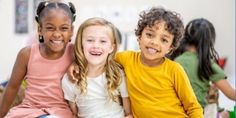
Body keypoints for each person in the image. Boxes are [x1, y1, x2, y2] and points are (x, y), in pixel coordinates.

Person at [68, 7, 203, 118]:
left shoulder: (174, 69)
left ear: (171, 48)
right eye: (149, 35)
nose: (154, 42)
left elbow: (193, 107)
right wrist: (77, 64)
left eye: (164, 40)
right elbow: (100, 58)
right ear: (139, 36)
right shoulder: (126, 58)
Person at [0, 1, 76, 118]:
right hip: (29, 111)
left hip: (60, 112)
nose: (57, 34)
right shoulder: (26, 54)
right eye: (50, 28)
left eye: (64, 28)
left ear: (71, 31)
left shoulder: (75, 53)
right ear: (40, 29)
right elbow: (12, 87)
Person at [62, 17, 133, 118]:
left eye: (103, 41)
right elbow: (75, 114)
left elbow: (129, 114)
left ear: (111, 48)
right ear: (81, 44)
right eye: (90, 40)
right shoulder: (70, 79)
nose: (96, 45)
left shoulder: (118, 74)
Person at [170, 18, 236, 118]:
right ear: (208, 41)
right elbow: (232, 95)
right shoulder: (207, 64)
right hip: (201, 113)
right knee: (226, 114)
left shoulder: (175, 60)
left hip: (180, 112)